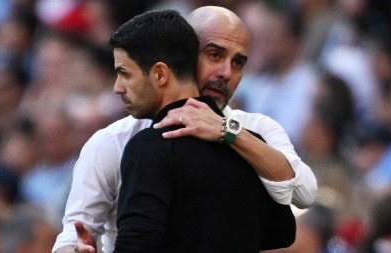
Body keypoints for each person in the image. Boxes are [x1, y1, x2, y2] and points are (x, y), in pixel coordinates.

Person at [53, 6, 318, 253]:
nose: (226, 72)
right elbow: (73, 236)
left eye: (238, 63)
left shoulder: (252, 132)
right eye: (214, 55)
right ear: (185, 54)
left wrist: (229, 132)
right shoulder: (113, 142)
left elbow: (304, 194)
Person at [110, 9, 295, 252]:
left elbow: (136, 246)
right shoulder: (251, 145)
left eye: (125, 73)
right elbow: (282, 233)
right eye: (215, 55)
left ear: (160, 74)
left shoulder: (150, 146)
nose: (118, 88)